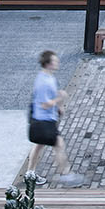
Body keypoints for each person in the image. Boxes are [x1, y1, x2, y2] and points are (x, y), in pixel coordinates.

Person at [27, 50, 83, 186]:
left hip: (44, 119)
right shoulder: (43, 82)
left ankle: (30, 174)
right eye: (55, 61)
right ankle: (66, 174)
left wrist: (59, 106)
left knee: (39, 145)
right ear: (48, 64)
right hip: (43, 120)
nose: (57, 63)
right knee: (59, 144)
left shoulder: (48, 77)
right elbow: (45, 104)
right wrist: (60, 97)